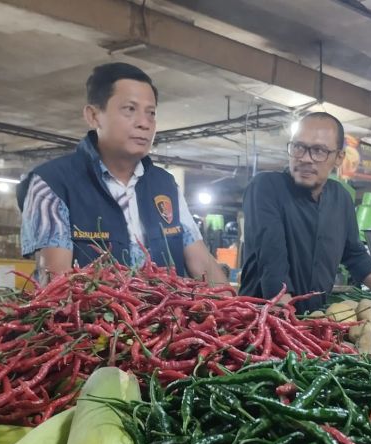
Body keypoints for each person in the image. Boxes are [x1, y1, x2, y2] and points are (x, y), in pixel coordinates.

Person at [18, 63, 226, 285]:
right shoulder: (53, 183)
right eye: (129, 109)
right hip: (95, 320)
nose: (144, 123)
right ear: (93, 116)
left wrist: (239, 311)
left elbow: (202, 264)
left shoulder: (165, 185)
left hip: (168, 318)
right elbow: (57, 287)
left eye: (151, 113)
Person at [239, 112, 371, 312]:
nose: (305, 158)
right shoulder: (267, 187)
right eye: (299, 147)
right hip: (262, 323)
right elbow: (272, 263)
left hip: (312, 323)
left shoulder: (341, 199)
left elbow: (356, 256)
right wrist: (292, 327)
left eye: (319, 151)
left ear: (339, 158)